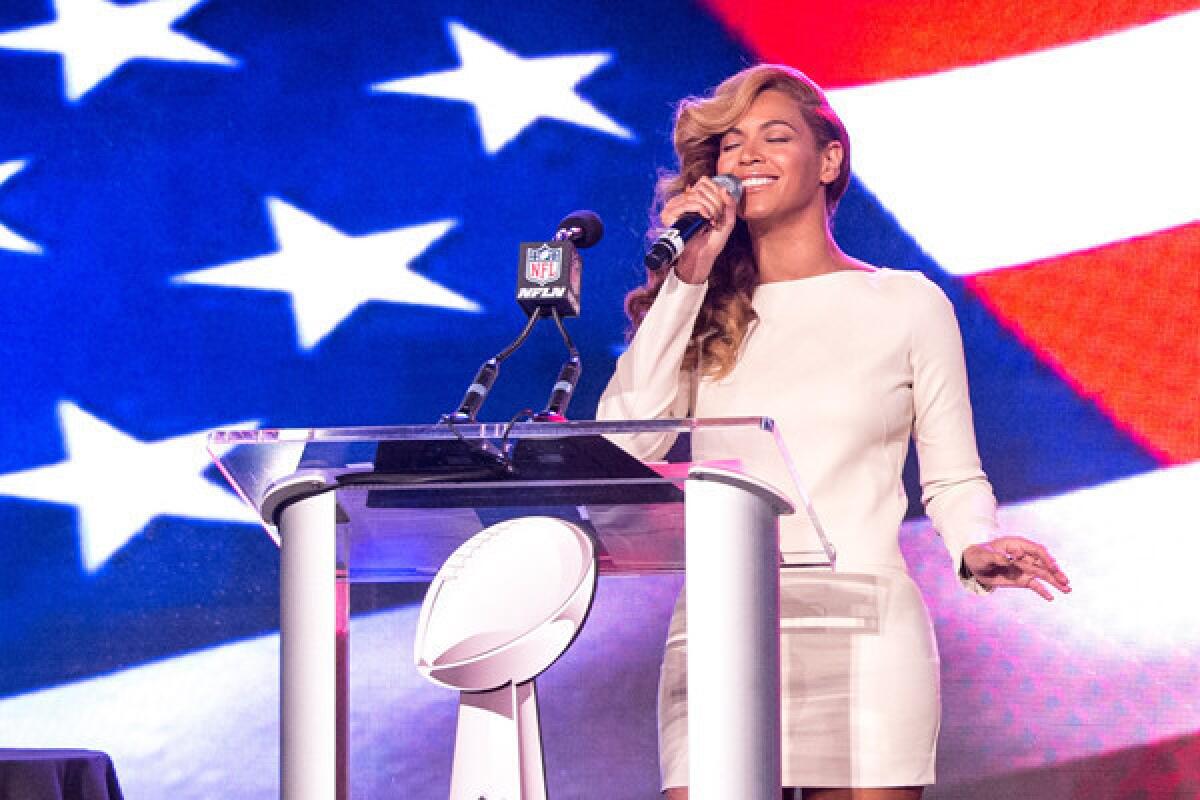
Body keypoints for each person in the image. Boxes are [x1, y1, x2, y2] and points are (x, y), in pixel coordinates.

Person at [596, 64, 1071, 800]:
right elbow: (627, 446)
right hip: (721, 631)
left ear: (829, 160)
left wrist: (974, 543)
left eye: (774, 136)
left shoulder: (905, 303)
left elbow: (951, 475)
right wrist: (688, 277)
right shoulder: (698, 308)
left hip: (864, 631)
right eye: (729, 145)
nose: (746, 156)